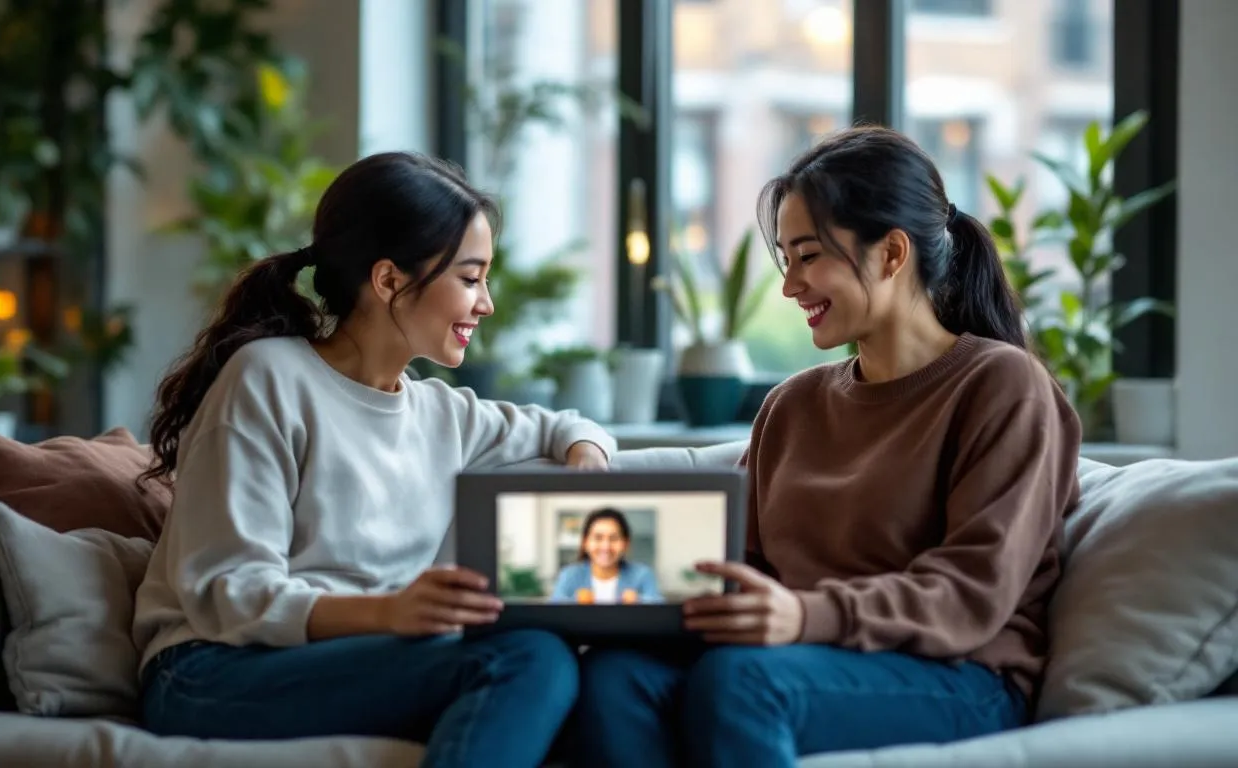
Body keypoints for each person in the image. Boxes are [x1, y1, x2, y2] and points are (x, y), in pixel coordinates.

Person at [571, 126, 1082, 767]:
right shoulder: (793, 404)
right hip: (800, 658)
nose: (791, 287)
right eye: (786, 261)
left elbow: (971, 593)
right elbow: (750, 567)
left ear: (892, 254)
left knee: (741, 681)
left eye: (809, 257)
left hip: (962, 676)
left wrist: (805, 617)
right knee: (616, 676)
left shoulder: (1002, 386)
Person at [131, 151, 617, 768]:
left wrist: (587, 463)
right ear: (388, 281)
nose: (486, 303)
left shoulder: (443, 415)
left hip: (351, 657)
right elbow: (228, 593)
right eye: (470, 278)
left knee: (586, 674)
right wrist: (390, 612)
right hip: (209, 669)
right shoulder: (268, 378)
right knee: (524, 659)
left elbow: (570, 427)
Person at [551, 507, 662, 604]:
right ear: (585, 543)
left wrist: (638, 601)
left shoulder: (642, 575)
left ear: (626, 544)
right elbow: (552, 613)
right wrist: (576, 602)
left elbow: (659, 612)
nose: (606, 547)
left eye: (613, 538)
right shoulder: (570, 575)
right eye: (598, 538)